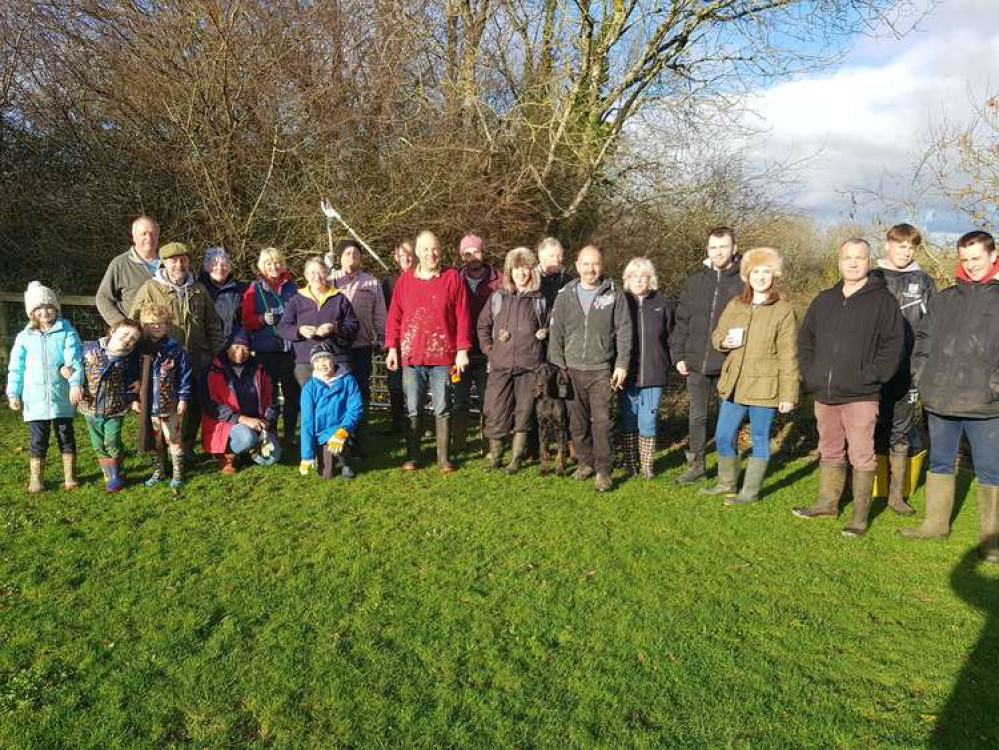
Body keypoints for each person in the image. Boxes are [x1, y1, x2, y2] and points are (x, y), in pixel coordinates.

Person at [792, 238, 903, 537]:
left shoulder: (884, 301)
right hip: (824, 392)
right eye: (847, 257)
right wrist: (810, 373)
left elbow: (894, 345)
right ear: (839, 261)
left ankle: (859, 517)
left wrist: (873, 375)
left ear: (869, 262)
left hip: (861, 394)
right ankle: (827, 503)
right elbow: (806, 340)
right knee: (829, 449)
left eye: (859, 257)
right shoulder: (824, 299)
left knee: (862, 453)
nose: (853, 263)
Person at [901, 230, 999, 562]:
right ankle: (934, 525)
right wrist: (921, 377)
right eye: (965, 258)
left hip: (985, 403)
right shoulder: (945, 298)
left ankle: (992, 542)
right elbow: (924, 341)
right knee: (940, 462)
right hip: (940, 399)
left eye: (976, 257)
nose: (970, 265)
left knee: (991, 471)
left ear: (992, 254)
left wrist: (995, 386)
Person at [702, 248, 798, 504]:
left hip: (766, 387)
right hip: (734, 384)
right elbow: (716, 337)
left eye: (766, 271)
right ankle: (726, 482)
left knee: (759, 439)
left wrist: (788, 394)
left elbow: (789, 355)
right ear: (747, 275)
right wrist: (725, 341)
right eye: (756, 271)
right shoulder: (736, 305)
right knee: (723, 436)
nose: (761, 276)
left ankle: (750, 492)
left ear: (774, 275)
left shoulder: (784, 310)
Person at [384, 229, 471, 473]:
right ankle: (414, 456)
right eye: (425, 249)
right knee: (413, 406)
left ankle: (443, 458)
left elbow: (463, 316)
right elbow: (395, 317)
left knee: (442, 406)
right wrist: (392, 347)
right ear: (417, 252)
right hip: (412, 356)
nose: (430, 254)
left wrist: (462, 349)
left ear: (440, 251)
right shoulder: (405, 281)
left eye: (434, 249)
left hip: (443, 356)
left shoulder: (452, 278)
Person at [547, 245, 632, 492]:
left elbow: (625, 330)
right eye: (585, 264)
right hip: (572, 369)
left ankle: (603, 471)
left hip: (601, 369)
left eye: (595, 264)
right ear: (577, 266)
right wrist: (559, 364)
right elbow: (556, 331)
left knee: (602, 422)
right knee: (577, 423)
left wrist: (622, 363)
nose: (590, 269)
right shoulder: (566, 294)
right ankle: (585, 463)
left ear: (601, 265)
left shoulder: (614, 293)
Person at [130, 241, 225, 454]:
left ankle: (186, 449)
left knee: (191, 405)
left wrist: (216, 353)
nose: (179, 264)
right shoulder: (150, 288)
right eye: (173, 260)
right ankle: (160, 451)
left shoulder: (198, 289)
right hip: (161, 360)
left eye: (183, 259)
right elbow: (135, 321)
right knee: (162, 405)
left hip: (197, 358)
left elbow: (213, 323)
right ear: (164, 263)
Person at [871, 223, 937, 515]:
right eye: (900, 245)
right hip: (871, 370)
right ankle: (868, 486)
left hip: (909, 370)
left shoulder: (924, 281)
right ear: (888, 244)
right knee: (868, 427)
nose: (905, 251)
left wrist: (922, 366)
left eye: (911, 246)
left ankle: (896, 496)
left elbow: (934, 327)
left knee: (901, 431)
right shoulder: (872, 277)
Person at [670, 227, 744, 484]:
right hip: (696, 362)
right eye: (713, 247)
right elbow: (682, 320)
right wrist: (678, 354)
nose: (718, 252)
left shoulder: (744, 282)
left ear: (734, 248)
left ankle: (728, 471)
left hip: (729, 364)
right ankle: (697, 466)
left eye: (723, 247)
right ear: (707, 250)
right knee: (697, 417)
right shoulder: (695, 281)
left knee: (729, 419)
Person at [6, 281, 84, 493]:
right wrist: (13, 393)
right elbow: (16, 368)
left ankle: (70, 476)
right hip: (35, 398)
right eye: (38, 308)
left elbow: (74, 359)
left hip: (61, 395)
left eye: (49, 306)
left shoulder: (67, 332)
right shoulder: (24, 338)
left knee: (65, 435)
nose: (44, 312)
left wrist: (75, 383)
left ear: (56, 308)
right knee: (38, 439)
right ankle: (36, 479)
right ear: (31, 312)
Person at [477, 247, 547, 473]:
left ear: (531, 270)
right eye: (516, 268)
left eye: (525, 267)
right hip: (500, 365)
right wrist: (490, 350)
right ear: (509, 270)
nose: (521, 272)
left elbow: (551, 327)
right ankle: (495, 455)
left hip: (529, 367)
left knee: (524, 411)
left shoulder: (540, 300)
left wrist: (542, 339)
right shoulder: (497, 297)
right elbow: (482, 325)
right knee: (496, 409)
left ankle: (516, 457)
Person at [619, 257, 674, 479]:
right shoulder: (620, 302)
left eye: (643, 276)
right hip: (627, 372)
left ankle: (647, 466)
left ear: (650, 279)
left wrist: (674, 360)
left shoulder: (662, 303)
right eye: (634, 276)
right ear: (627, 279)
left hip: (654, 371)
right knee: (629, 418)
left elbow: (672, 336)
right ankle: (630, 463)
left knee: (648, 420)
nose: (639, 280)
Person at [241, 247, 300, 447]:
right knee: (269, 394)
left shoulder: (293, 287)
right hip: (266, 349)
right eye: (268, 263)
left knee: (293, 393)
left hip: (290, 349)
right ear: (262, 266)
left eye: (276, 262)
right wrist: (260, 319)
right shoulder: (254, 288)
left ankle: (290, 433)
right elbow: (246, 319)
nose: (273, 266)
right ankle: (272, 433)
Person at [201, 329, 280, 474]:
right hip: (226, 423)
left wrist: (267, 420)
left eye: (245, 348)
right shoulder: (213, 369)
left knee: (272, 458)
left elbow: (272, 398)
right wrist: (242, 419)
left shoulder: (259, 368)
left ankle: (246, 452)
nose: (241, 352)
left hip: (257, 421)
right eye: (236, 346)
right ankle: (227, 455)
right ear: (227, 347)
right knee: (246, 438)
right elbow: (210, 405)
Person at [79, 318, 142, 492]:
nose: (128, 340)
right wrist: (65, 370)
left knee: (112, 441)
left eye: (133, 339)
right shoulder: (89, 349)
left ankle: (116, 473)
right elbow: (72, 364)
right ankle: (109, 472)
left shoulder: (128, 360)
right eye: (125, 334)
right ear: (113, 331)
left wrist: (133, 397)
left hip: (115, 407)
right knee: (98, 444)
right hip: (90, 407)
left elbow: (131, 382)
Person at [134, 302, 192, 489]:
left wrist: (183, 398)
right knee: (155, 440)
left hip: (170, 404)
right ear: (144, 325)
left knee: (173, 439)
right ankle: (159, 471)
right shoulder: (139, 349)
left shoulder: (175, 349)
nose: (156, 326)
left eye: (161, 322)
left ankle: (177, 473)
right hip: (148, 406)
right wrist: (133, 399)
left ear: (167, 325)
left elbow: (185, 375)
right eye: (151, 323)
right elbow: (132, 376)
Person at [277, 256, 360, 387]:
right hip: (306, 362)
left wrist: (334, 327)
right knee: (309, 404)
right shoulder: (296, 300)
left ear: (327, 273)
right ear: (305, 275)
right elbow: (283, 328)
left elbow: (353, 325)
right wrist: (299, 331)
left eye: (321, 272)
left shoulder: (339, 298)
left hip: (336, 359)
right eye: (312, 272)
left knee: (338, 403)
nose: (317, 276)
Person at [453, 233, 502, 453]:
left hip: (488, 350)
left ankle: (487, 443)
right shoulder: (454, 279)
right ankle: (459, 442)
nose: (473, 257)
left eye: (476, 251)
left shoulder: (498, 280)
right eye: (468, 253)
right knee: (460, 400)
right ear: (462, 256)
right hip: (460, 350)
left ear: (484, 252)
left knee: (487, 400)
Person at [324, 239, 387, 406]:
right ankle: (339, 427)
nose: (352, 256)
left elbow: (380, 313)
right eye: (347, 253)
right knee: (337, 388)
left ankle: (361, 427)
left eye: (356, 253)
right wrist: (325, 267)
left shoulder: (372, 282)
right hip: (335, 344)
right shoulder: (330, 279)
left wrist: (381, 337)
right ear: (340, 258)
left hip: (362, 345)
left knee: (361, 388)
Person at [299, 347, 364, 480]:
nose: (322, 364)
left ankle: (347, 463)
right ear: (313, 365)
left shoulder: (348, 380)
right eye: (317, 361)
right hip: (321, 434)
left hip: (341, 429)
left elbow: (355, 408)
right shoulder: (309, 388)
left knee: (338, 445)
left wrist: (344, 430)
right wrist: (307, 455)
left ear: (333, 361)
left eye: (326, 359)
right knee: (325, 475)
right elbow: (307, 422)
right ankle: (325, 455)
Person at [96, 215, 161, 325]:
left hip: (165, 333)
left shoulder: (170, 263)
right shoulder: (120, 263)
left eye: (152, 233)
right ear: (134, 237)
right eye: (143, 234)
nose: (149, 238)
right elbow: (103, 297)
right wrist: (121, 324)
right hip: (136, 334)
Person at [382, 241, 415, 432]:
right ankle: (396, 423)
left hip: (416, 341)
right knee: (395, 383)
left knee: (415, 385)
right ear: (395, 257)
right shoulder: (388, 283)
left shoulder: (421, 278)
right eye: (401, 255)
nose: (405, 258)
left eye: (409, 254)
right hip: (396, 340)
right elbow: (384, 313)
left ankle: (418, 423)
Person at [199, 245, 247, 341]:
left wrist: (240, 340)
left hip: (233, 346)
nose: (220, 268)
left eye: (224, 264)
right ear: (207, 267)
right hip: (205, 347)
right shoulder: (198, 289)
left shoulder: (241, 289)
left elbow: (246, 321)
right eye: (214, 264)